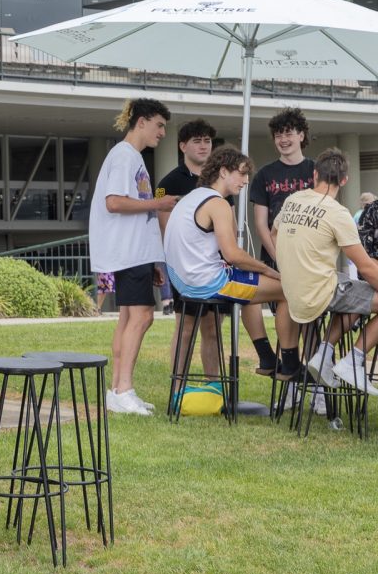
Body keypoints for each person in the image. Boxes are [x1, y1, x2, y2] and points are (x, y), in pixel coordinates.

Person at [157, 119, 277, 378]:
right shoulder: (213, 201)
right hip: (205, 281)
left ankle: (200, 385)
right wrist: (271, 270)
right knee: (288, 289)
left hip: (185, 278)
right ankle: (284, 361)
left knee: (250, 290)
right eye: (242, 174)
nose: (246, 181)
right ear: (223, 172)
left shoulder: (193, 197)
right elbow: (233, 254)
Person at [89, 98, 177, 415]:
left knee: (129, 318)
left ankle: (118, 390)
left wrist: (151, 257)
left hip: (132, 253)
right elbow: (114, 202)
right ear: (141, 122)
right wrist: (159, 204)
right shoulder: (125, 157)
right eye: (159, 125)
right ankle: (123, 389)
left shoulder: (130, 157)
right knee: (142, 317)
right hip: (126, 253)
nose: (163, 133)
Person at [275, 148, 378, 395]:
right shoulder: (338, 213)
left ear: (314, 174)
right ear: (344, 180)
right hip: (320, 292)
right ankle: (353, 360)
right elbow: (364, 266)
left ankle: (324, 355)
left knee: (357, 294)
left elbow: (273, 234)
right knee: (364, 292)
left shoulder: (293, 200)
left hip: (291, 291)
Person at [251, 107, 314, 271]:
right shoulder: (263, 175)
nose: (283, 139)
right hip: (275, 256)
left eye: (288, 134)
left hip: (311, 255)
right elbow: (260, 224)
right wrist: (278, 257)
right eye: (278, 135)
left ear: (301, 135)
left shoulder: (317, 171)